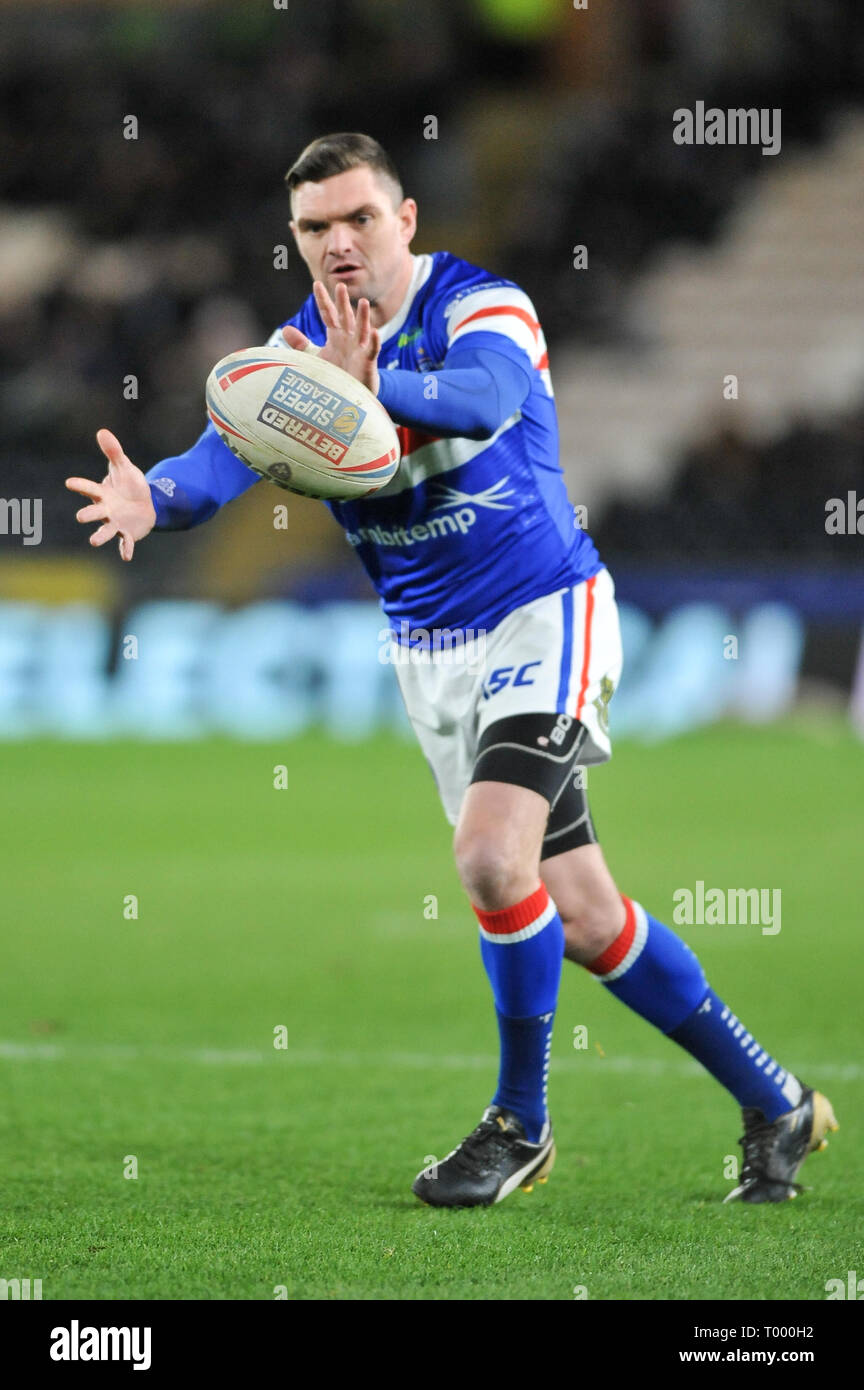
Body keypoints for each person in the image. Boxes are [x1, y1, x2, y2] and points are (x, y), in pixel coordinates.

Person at [66, 132, 837, 1208]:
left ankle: (518, 1122)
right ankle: (778, 1101)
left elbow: (482, 399)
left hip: (543, 616)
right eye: (314, 228)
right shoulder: (297, 349)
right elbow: (223, 452)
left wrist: (376, 382)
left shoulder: (485, 305)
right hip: (430, 657)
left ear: (407, 219)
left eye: (358, 219)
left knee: (488, 858)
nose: (338, 244)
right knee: (582, 916)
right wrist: (158, 494)